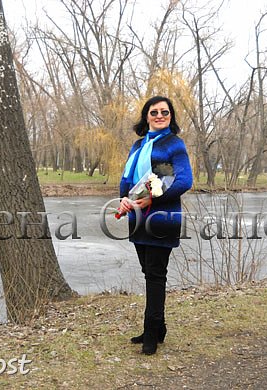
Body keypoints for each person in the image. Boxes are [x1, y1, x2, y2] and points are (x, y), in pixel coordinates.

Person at [118, 95, 193, 355]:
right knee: (148, 271)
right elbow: (127, 177)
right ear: (146, 117)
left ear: (171, 116)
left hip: (162, 217)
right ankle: (158, 328)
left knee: (155, 275)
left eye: (165, 112)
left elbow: (182, 181)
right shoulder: (138, 145)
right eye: (154, 112)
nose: (160, 116)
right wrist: (124, 200)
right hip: (137, 217)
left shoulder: (174, 144)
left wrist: (153, 196)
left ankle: (151, 334)